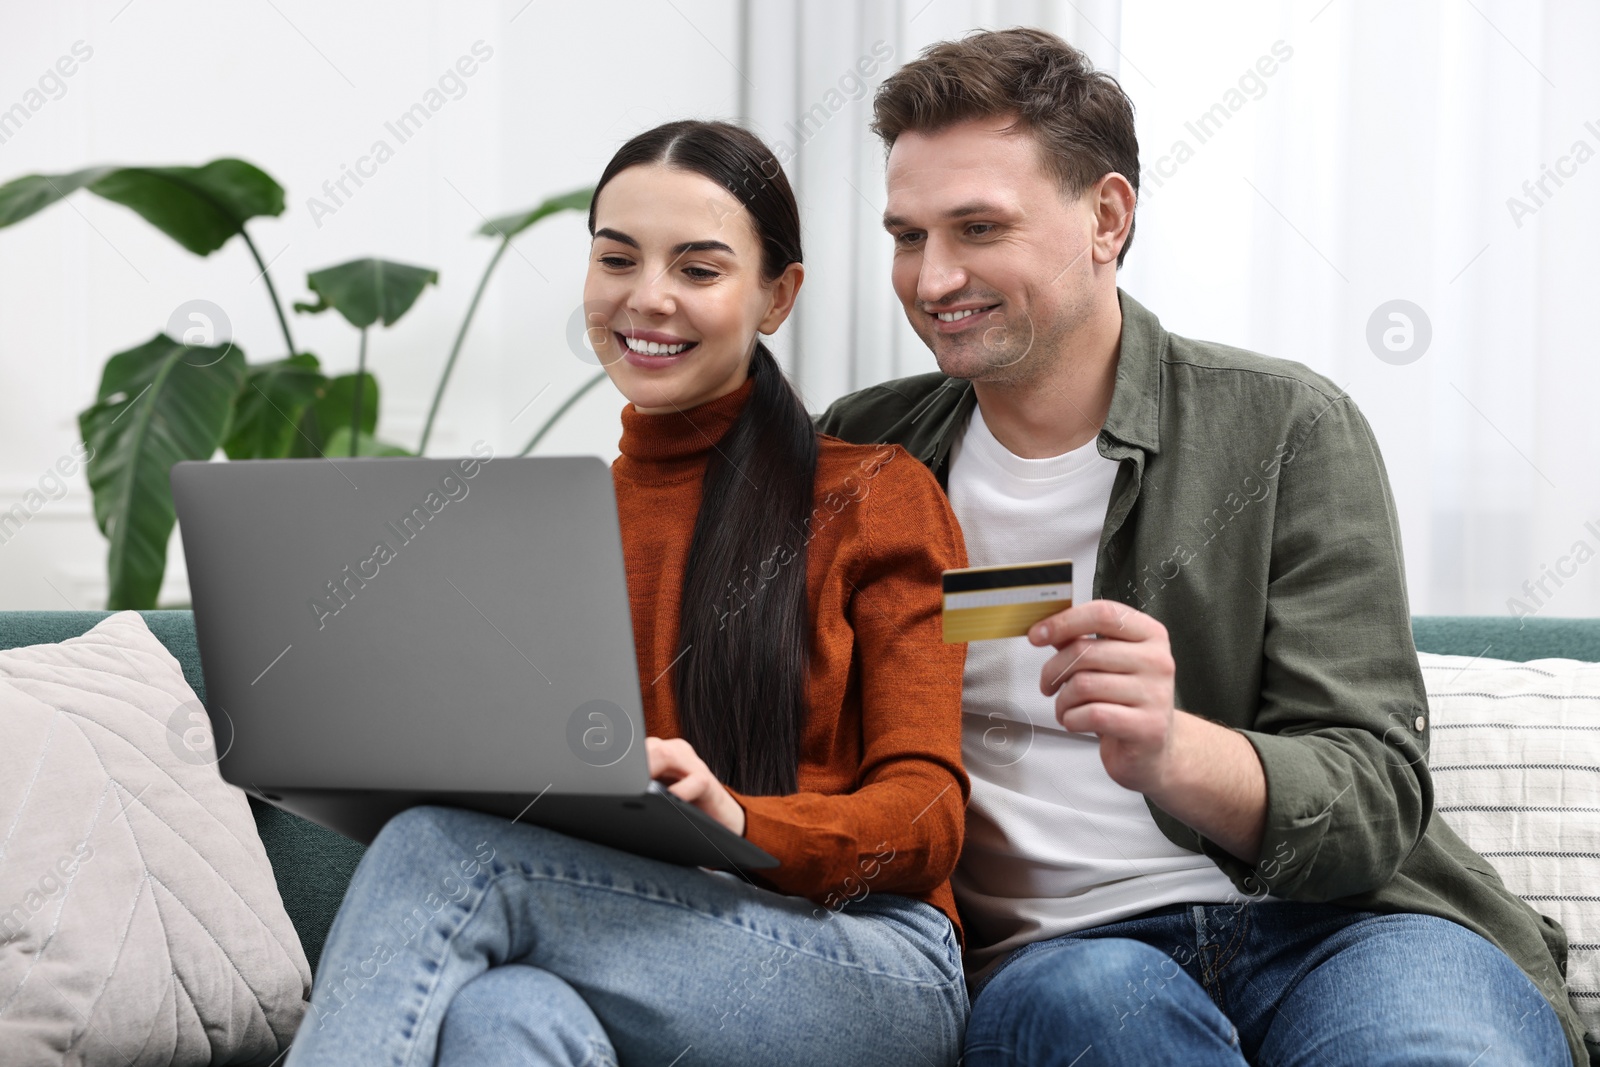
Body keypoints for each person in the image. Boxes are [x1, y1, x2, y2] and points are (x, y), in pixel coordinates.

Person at [816, 27, 1591, 1067]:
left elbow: (1370, 794)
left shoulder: (1285, 427)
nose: (932, 275)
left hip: (1346, 927)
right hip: (1067, 959)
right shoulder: (865, 448)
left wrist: (1171, 749)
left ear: (1106, 215)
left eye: (977, 227)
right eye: (907, 235)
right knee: (1085, 1009)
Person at [285, 120, 971, 1067]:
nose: (647, 299)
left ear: (777, 296)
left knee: (442, 854)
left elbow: (929, 811)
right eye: (617, 258)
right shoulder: (557, 524)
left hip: (872, 965)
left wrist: (738, 817)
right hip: (645, 932)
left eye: (699, 269)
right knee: (506, 1014)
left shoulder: (875, 495)